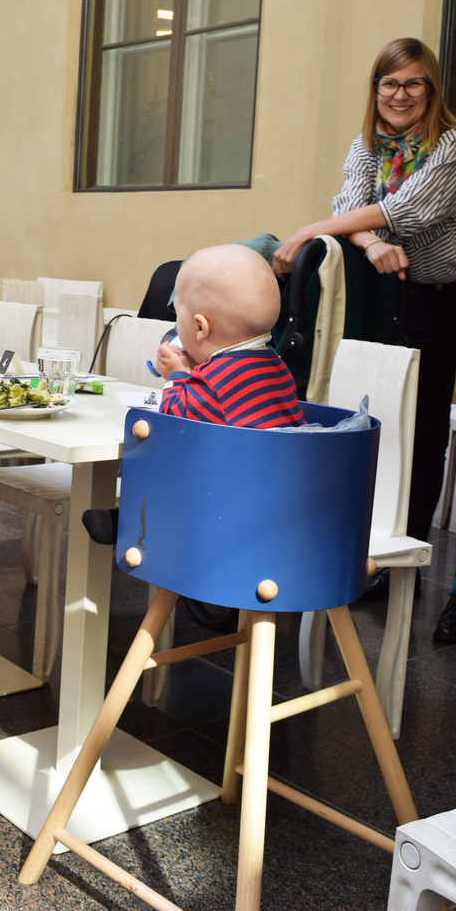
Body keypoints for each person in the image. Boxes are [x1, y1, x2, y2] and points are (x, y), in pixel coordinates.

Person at [272, 38, 456, 644]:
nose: (401, 95)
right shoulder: (367, 147)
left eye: (413, 84)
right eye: (389, 84)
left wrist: (310, 231)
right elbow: (359, 207)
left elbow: (406, 210)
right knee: (422, 438)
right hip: (423, 300)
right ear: (375, 91)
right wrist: (372, 245)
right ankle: (407, 566)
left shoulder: (455, 142)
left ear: (431, 91)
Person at [84, 244, 303, 637]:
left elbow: (176, 424)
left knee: (167, 459)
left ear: (200, 329)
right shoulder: (276, 367)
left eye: (178, 317)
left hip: (228, 519)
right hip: (280, 512)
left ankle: (132, 522)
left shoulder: (212, 379)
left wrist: (177, 378)